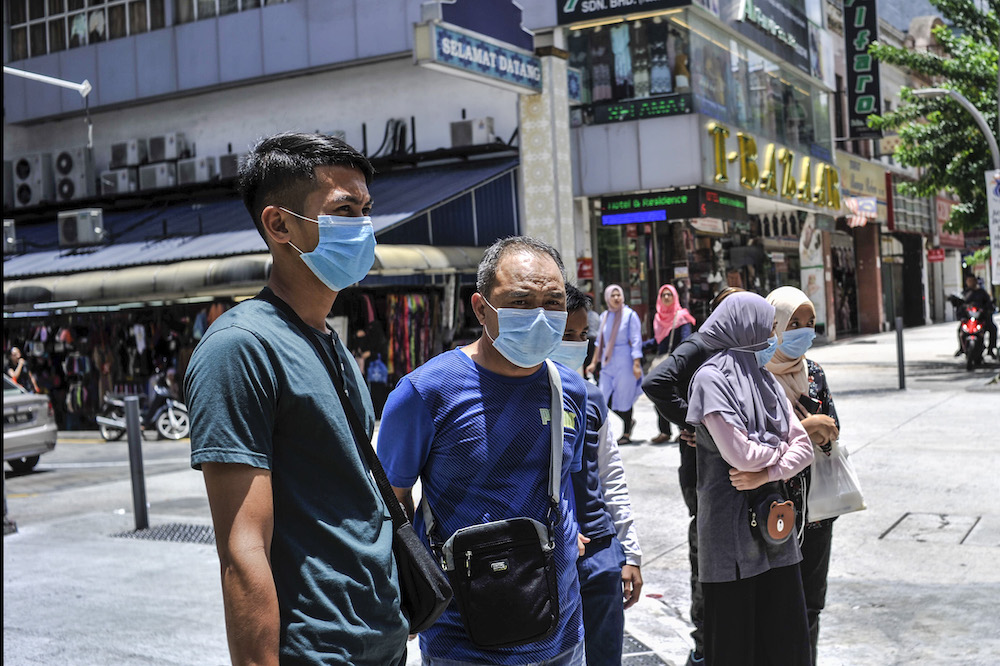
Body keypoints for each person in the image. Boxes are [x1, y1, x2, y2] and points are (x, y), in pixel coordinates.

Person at [185, 132, 409, 665]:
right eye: (344, 210)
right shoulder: (240, 348)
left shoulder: (330, 343)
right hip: (317, 651)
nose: (362, 227)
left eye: (366, 210)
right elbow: (243, 549)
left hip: (382, 640)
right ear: (279, 224)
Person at [377, 236, 589, 666]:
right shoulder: (425, 392)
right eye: (520, 301)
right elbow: (389, 506)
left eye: (553, 302)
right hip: (464, 641)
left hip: (562, 633)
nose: (540, 317)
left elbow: (564, 485)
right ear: (479, 308)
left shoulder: (570, 389)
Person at [686, 291, 814, 666]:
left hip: (775, 527)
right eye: (768, 328)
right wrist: (780, 449)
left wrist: (767, 472)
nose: (772, 338)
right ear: (744, 327)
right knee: (736, 645)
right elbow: (739, 453)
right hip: (730, 539)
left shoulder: (767, 379)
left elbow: (803, 449)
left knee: (785, 643)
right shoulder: (711, 381)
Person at [641, 285, 742, 666]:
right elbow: (655, 382)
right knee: (706, 546)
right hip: (702, 468)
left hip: (735, 468)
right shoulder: (701, 344)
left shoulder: (740, 347)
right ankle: (704, 640)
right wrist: (692, 419)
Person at [553, 284, 643, 665]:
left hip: (600, 557)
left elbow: (611, 474)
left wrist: (630, 551)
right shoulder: (521, 394)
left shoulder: (591, 397)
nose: (576, 344)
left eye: (582, 336)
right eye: (565, 336)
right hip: (549, 557)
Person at [765, 286, 842, 665]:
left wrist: (811, 429)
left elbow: (832, 432)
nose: (802, 331)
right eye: (793, 323)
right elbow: (756, 444)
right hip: (772, 508)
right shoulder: (757, 376)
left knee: (811, 604)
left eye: (808, 324)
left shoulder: (814, 373)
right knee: (776, 606)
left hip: (817, 511)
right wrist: (808, 427)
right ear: (773, 323)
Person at [586, 284, 643, 445]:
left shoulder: (630, 315)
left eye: (619, 295)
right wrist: (593, 362)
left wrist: (636, 363)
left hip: (625, 359)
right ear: (607, 298)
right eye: (613, 295)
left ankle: (626, 431)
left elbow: (636, 340)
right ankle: (626, 422)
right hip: (607, 361)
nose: (617, 298)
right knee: (603, 396)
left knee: (624, 396)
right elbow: (599, 342)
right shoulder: (604, 315)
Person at [649, 284, 695, 444]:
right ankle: (664, 431)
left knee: (676, 397)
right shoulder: (659, 317)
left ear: (675, 297)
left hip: (677, 365)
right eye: (663, 295)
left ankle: (682, 430)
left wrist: (676, 359)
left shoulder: (681, 316)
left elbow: (685, 340)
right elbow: (658, 341)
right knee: (658, 397)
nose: (666, 298)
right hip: (663, 363)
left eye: (669, 294)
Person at [957, 274, 997, 357]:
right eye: (969, 281)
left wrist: (988, 310)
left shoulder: (982, 293)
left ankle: (991, 349)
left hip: (981, 319)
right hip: (969, 319)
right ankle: (962, 349)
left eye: (972, 281)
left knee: (993, 329)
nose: (971, 283)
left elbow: (989, 304)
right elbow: (960, 305)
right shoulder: (964, 293)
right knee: (960, 331)